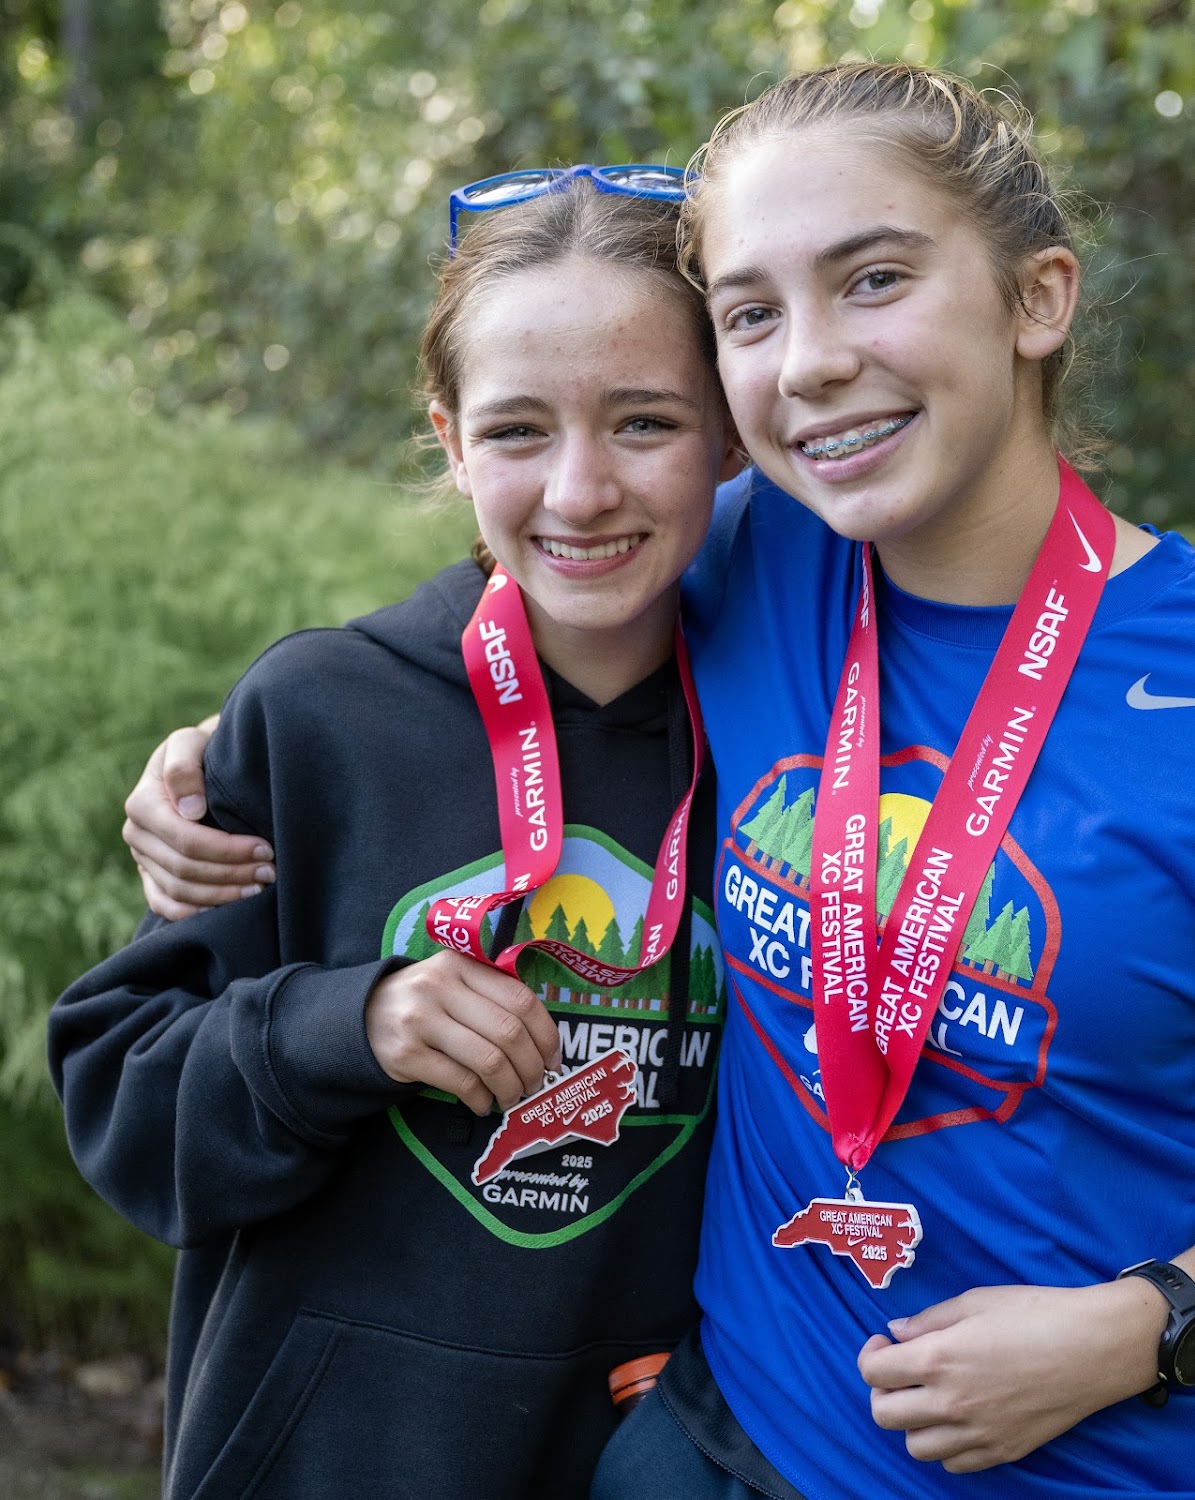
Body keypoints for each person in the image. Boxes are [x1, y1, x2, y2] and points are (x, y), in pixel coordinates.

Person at [119, 68, 1195, 1500]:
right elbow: (543, 556)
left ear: (1038, 299)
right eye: (751, 313)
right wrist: (232, 748)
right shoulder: (756, 560)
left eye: (873, 279)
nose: (813, 361)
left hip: (1139, 1467)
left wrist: (1134, 1331)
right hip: (737, 1437)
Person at [49, 171, 745, 1500]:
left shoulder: (799, 736)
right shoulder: (321, 711)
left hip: (650, 1460)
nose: (581, 489)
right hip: (335, 1456)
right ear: (450, 441)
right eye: (517, 430)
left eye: (645, 421)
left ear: (728, 434)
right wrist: (345, 1025)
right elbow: (130, 1115)